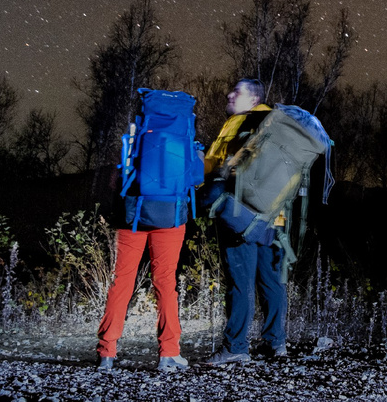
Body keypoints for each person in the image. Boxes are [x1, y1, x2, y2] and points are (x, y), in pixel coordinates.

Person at [202, 78, 289, 364]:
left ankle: (236, 346)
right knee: (271, 282)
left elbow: (215, 168)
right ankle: (276, 344)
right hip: (275, 216)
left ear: (253, 99)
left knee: (240, 282)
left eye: (236, 92)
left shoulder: (240, 123)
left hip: (241, 216)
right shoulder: (277, 123)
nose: (229, 94)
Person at [95, 154, 198, 370]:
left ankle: (107, 353)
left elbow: (115, 179)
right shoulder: (184, 133)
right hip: (171, 216)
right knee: (165, 283)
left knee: (121, 281)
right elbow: (197, 176)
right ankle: (169, 353)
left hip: (133, 213)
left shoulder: (138, 132)